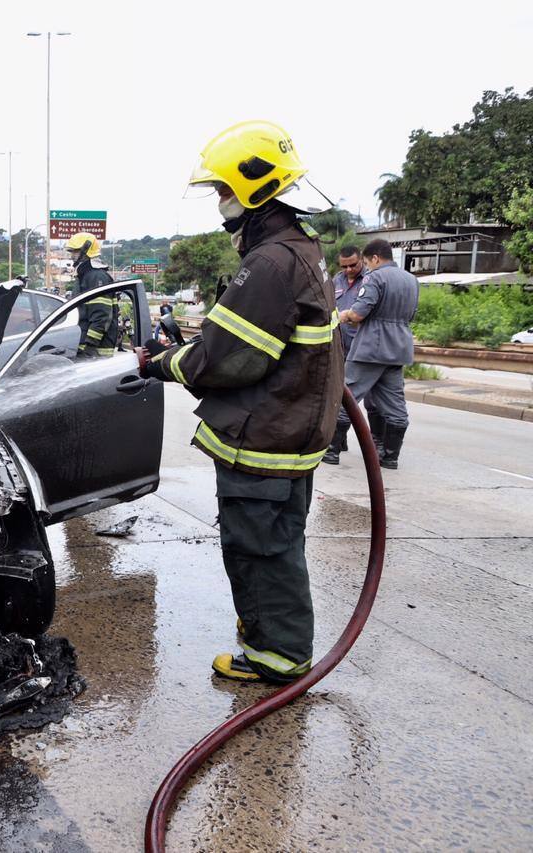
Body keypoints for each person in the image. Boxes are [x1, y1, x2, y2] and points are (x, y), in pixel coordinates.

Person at [138, 120, 344, 684]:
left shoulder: (270, 263)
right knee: (275, 543)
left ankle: (277, 657)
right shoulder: (299, 249)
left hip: (267, 435)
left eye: (224, 191)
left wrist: (160, 363)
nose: (221, 203)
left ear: (254, 188)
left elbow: (226, 359)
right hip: (289, 429)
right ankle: (267, 628)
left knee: (259, 549)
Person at [322, 239, 418, 469]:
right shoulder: (411, 280)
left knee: (347, 395)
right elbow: (411, 315)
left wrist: (343, 315)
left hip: (371, 347)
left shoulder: (375, 277)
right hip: (399, 348)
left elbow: (359, 313)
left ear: (375, 258)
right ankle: (390, 456)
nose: (368, 266)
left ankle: (332, 451)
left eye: (366, 261)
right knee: (395, 404)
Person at [329, 246, 382, 454]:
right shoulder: (337, 280)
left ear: (362, 260)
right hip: (338, 345)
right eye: (345, 266)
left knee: (362, 397)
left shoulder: (371, 280)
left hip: (361, 346)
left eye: (353, 265)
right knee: (336, 393)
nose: (349, 269)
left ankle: (377, 444)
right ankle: (339, 440)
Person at [64, 232, 118, 356]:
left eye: (75, 251)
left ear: (86, 251)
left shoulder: (96, 277)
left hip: (96, 351)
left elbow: (101, 315)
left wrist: (90, 344)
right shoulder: (86, 275)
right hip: (87, 347)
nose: (72, 256)